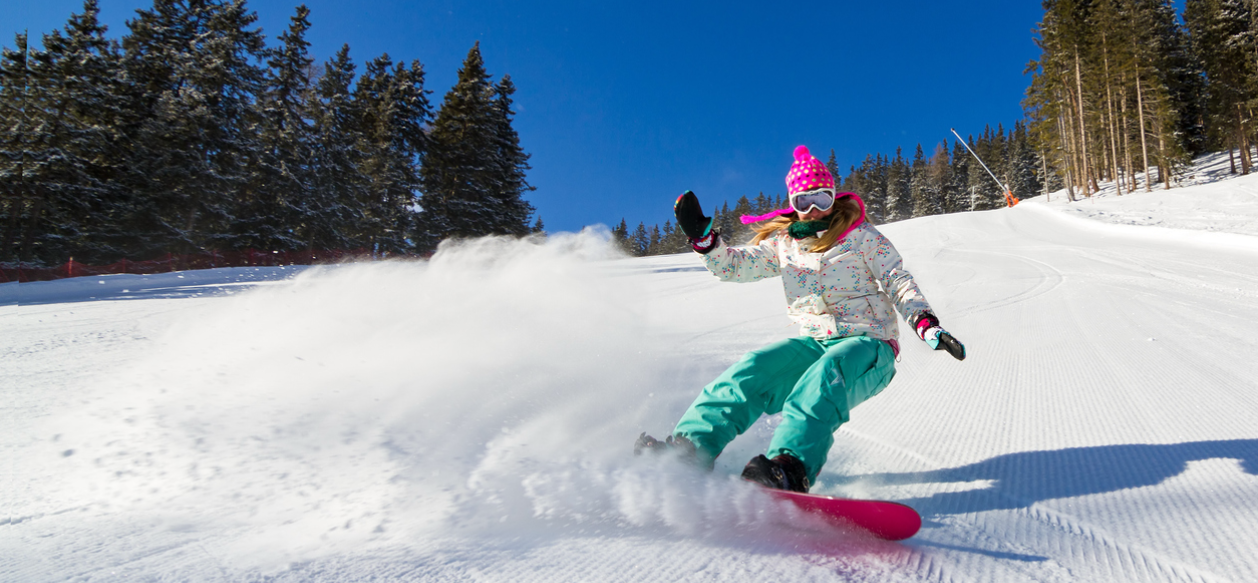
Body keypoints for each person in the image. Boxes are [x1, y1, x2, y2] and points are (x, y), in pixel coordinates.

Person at [635, 145, 965, 493]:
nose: (813, 210)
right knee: (752, 370)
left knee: (825, 377)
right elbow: (735, 266)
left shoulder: (861, 235)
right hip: (816, 342)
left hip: (869, 345)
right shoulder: (785, 244)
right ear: (793, 203)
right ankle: (690, 450)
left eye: (821, 199)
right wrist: (704, 241)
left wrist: (924, 322)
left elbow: (897, 278)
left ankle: (790, 467)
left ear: (833, 197)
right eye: (804, 201)